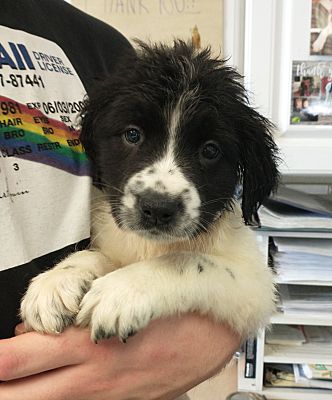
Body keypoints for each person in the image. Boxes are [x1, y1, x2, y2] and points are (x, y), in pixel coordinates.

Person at [0, 1, 240, 399]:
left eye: (208, 151)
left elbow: (247, 274)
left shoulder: (99, 45)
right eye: (133, 136)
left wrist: (206, 340)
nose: (161, 189)